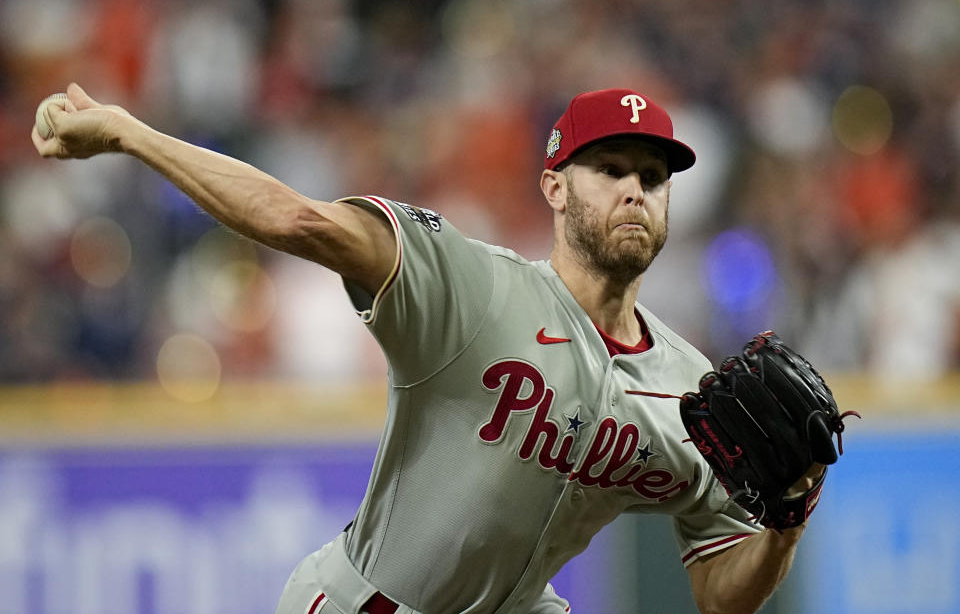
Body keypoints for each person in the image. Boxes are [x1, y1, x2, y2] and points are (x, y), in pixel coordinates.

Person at [33, 84, 824, 614]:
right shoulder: (471, 288)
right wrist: (129, 133)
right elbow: (298, 220)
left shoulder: (695, 392)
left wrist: (786, 521)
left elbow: (721, 592)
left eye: (652, 177)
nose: (633, 191)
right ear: (554, 187)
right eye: (609, 168)